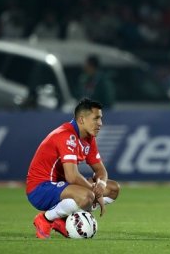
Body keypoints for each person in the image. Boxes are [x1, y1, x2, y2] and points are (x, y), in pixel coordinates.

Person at [26, 98, 120, 239]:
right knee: (87, 196)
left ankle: (61, 219)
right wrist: (96, 193)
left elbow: (101, 171)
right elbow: (72, 176)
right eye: (96, 119)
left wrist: (101, 184)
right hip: (40, 188)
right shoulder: (66, 135)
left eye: (101, 119)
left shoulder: (89, 138)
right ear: (81, 120)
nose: (100, 123)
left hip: (62, 186)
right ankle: (46, 219)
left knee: (113, 189)